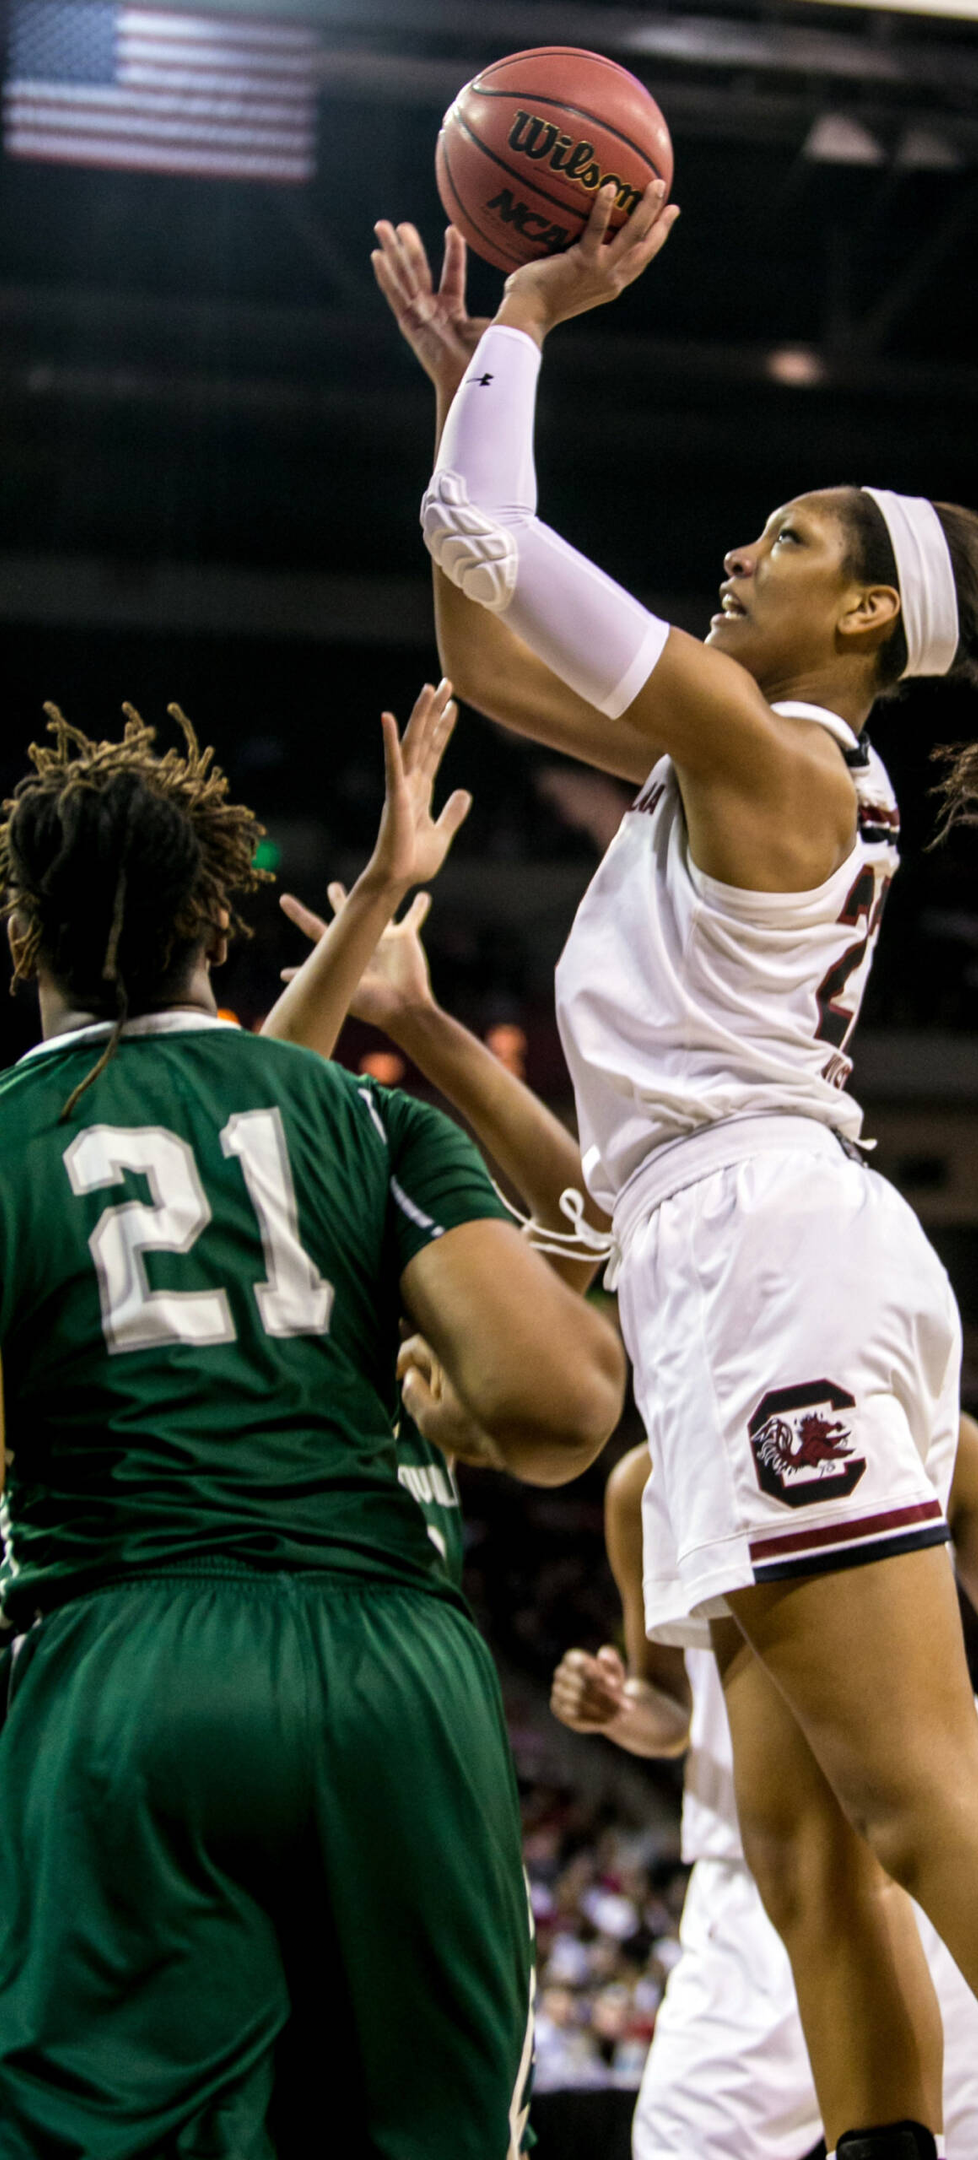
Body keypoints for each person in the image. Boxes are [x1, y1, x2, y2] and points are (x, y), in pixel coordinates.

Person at [367, 193, 978, 2160]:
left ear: (864, 615)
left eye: (780, 541)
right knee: (799, 1851)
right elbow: (478, 626)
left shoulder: (775, 757)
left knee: (921, 1792)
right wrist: (463, 396)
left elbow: (496, 548)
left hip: (777, 1263)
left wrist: (521, 317)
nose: (736, 554)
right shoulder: (722, 762)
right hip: (718, 1269)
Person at [0, 685, 626, 2159]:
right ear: (215, 927)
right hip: (394, 1679)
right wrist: (457, 1407)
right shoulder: (367, 1120)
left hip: (129, 1666)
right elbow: (559, 1408)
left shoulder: (13, 1142)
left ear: (22, 935)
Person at [550, 1420, 978, 2160]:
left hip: (930, 1848)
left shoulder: (933, 1427)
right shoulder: (644, 1481)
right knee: (681, 2144)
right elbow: (670, 1713)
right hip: (756, 1869)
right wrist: (619, 1710)